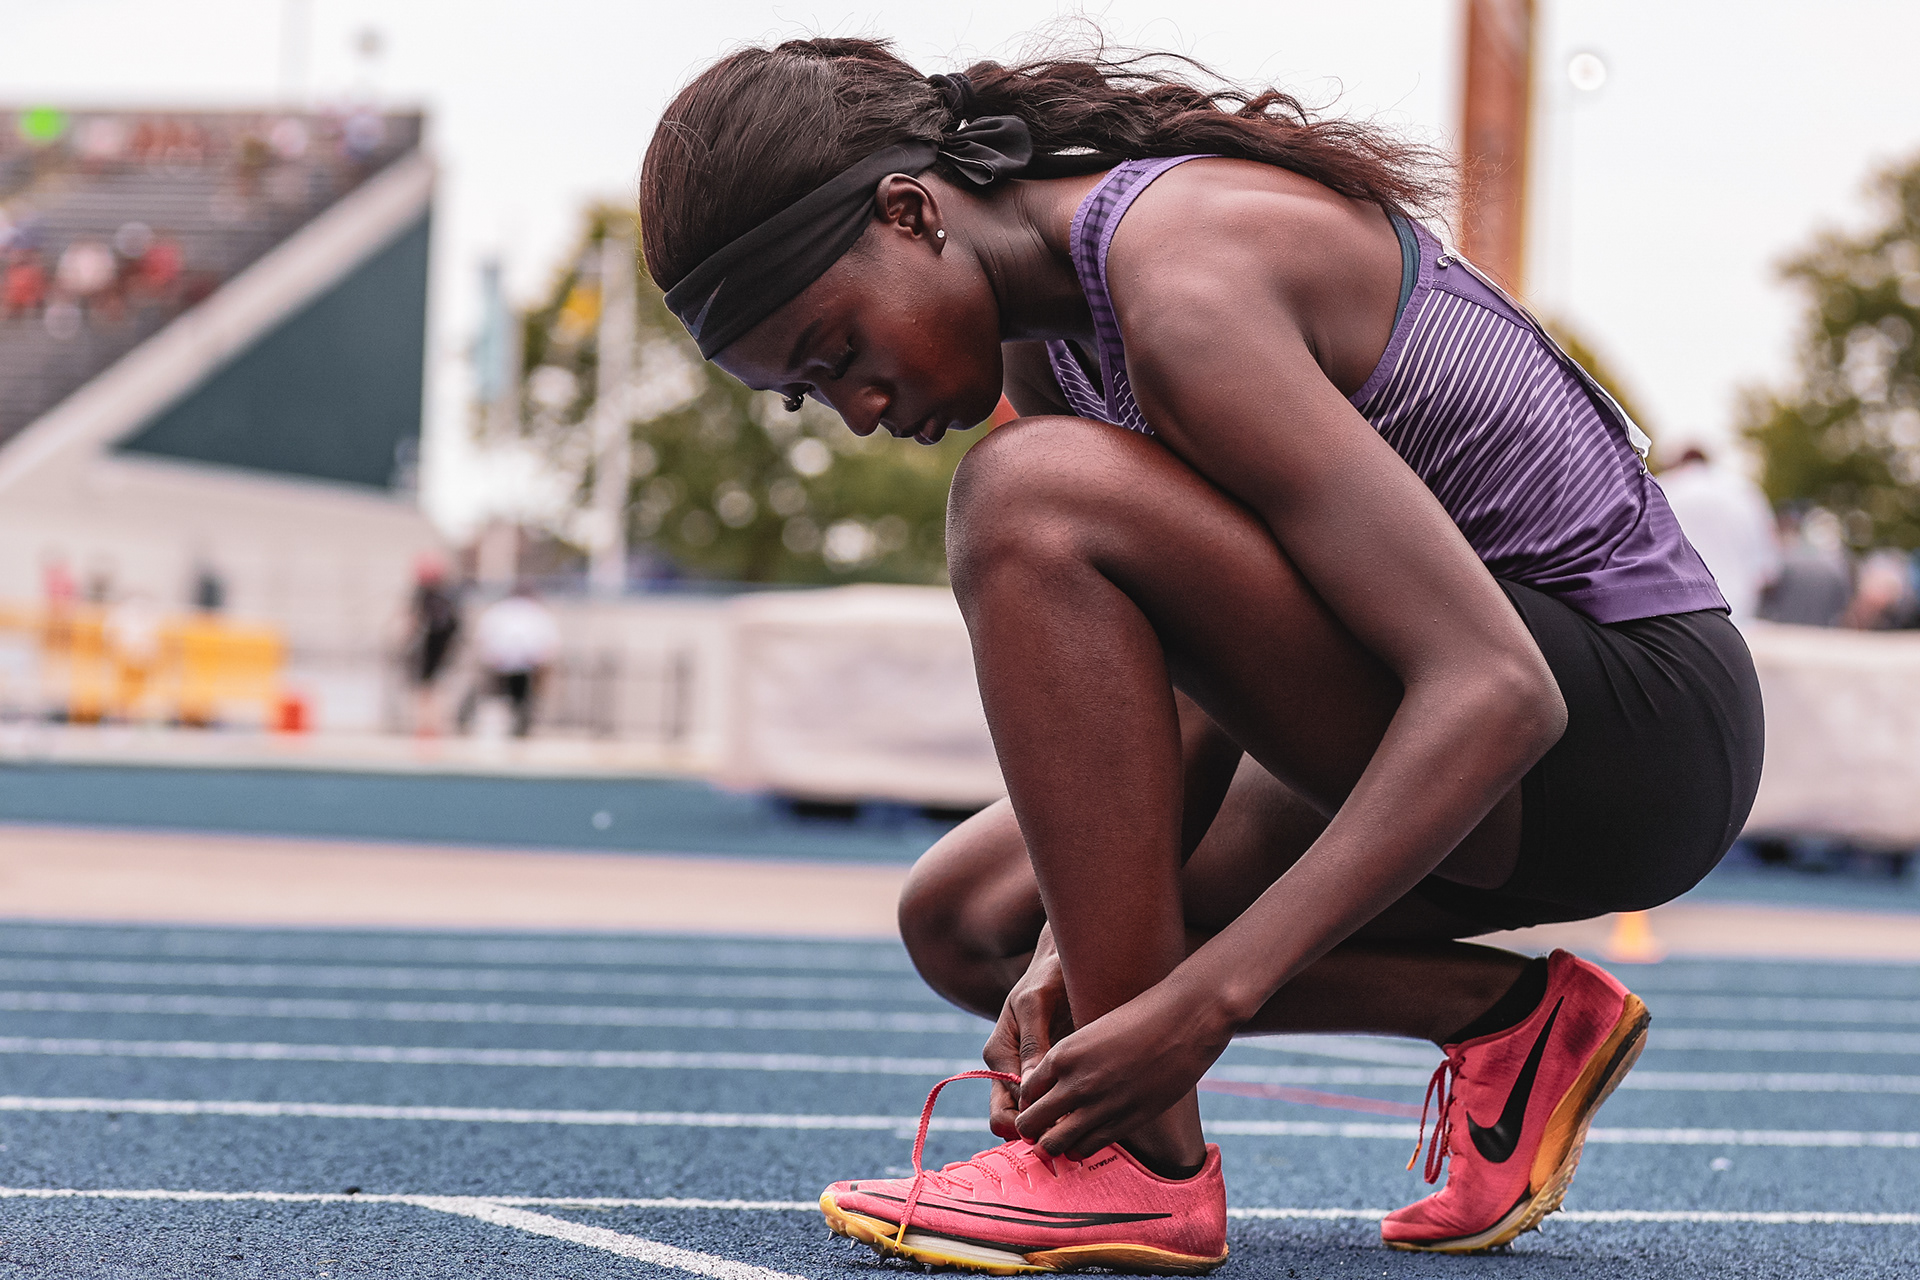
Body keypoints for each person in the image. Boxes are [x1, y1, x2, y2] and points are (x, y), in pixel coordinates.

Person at [639, 39, 1763, 1270]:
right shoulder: (1048, 336)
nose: (858, 410)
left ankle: (1136, 1168)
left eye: (839, 352)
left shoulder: (1183, 290)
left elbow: (1497, 689)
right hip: (1448, 715)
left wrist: (1207, 996)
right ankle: (1508, 1020)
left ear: (911, 214)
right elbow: (1184, 681)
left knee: (1023, 494)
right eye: (808, 394)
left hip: (1631, 733)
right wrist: (1077, 957)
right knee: (973, 922)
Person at [1655, 445, 1780, 623]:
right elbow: (1768, 568)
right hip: (1737, 612)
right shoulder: (1744, 492)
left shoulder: (1661, 489)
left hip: (1673, 614)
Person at [470, 583, 558, 738]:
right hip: (504, 666)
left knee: (521, 699)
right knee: (501, 699)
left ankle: (519, 726)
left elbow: (482, 638)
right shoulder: (506, 612)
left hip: (522, 666)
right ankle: (506, 726)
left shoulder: (529, 613)